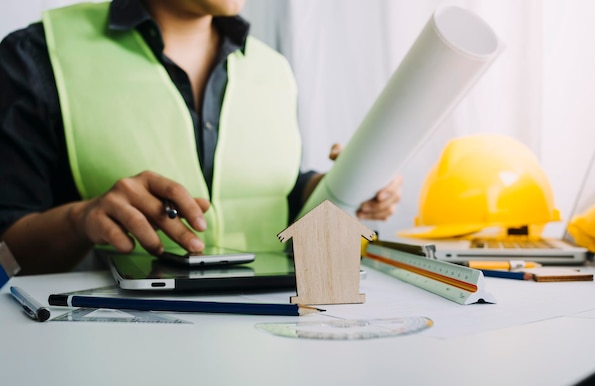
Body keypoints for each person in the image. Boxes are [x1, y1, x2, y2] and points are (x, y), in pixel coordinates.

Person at [0, 0, 402, 275]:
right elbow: (7, 252)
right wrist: (81, 218)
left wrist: (343, 186)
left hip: (272, 342)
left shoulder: (272, 68)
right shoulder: (35, 56)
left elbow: (273, 194)